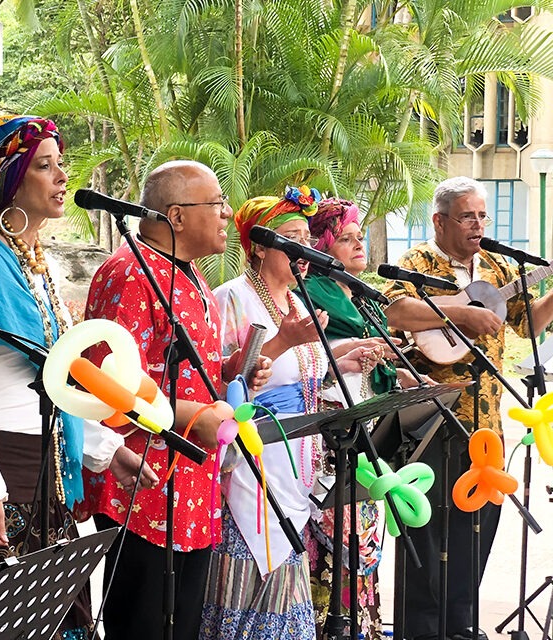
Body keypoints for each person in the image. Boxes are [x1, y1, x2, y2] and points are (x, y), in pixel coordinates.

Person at [0, 115, 156, 637]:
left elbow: (62, 379)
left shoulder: (37, 262)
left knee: (59, 616)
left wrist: (105, 447)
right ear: (10, 180)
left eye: (61, 164)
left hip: (48, 464)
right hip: (4, 463)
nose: (61, 177)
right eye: (44, 165)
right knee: (2, 619)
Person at [82, 160, 269, 640]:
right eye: (217, 203)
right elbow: (110, 388)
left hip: (194, 484)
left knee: (181, 624)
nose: (227, 213)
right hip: (143, 482)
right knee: (143, 624)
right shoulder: (128, 273)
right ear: (177, 215)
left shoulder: (189, 276)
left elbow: (178, 373)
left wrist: (230, 371)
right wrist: (199, 414)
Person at [382, 176, 553, 640]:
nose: (478, 223)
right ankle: (419, 632)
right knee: (427, 536)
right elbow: (394, 313)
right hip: (431, 427)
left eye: (482, 215)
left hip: (487, 428)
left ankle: (461, 627)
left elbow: (527, 326)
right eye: (467, 216)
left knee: (475, 536)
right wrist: (459, 314)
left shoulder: (498, 267)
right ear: (439, 221)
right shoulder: (417, 262)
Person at [200, 189, 363, 639]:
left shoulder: (299, 302)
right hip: (251, 467)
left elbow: (302, 377)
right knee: (245, 592)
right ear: (258, 246)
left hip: (296, 466)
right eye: (290, 239)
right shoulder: (231, 298)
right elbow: (224, 380)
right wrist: (283, 343)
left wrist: (346, 359)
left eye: (306, 239)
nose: (303, 250)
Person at [301, 197, 403, 640]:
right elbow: (317, 356)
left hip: (369, 426)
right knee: (329, 546)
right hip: (332, 433)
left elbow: (378, 348)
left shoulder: (360, 293)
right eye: (346, 237)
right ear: (323, 245)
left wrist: (393, 369)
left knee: (362, 537)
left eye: (360, 236)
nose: (359, 244)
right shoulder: (317, 290)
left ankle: (361, 628)